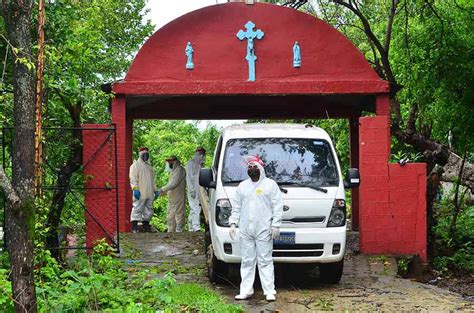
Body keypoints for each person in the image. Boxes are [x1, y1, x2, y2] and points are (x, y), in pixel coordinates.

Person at [228, 155, 283, 302]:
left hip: (263, 229)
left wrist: (276, 224)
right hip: (246, 229)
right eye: (249, 167)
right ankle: (246, 290)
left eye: (254, 167)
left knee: (265, 260)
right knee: (247, 260)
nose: (252, 170)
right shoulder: (242, 186)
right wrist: (233, 222)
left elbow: (277, 206)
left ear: (261, 169)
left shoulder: (270, 185)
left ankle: (269, 291)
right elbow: (236, 207)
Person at [129, 147, 159, 233]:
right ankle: (134, 228)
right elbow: (133, 178)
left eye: (147, 155)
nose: (145, 156)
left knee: (149, 209)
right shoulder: (135, 165)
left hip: (149, 192)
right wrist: (135, 188)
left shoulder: (150, 168)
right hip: (140, 191)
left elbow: (153, 181)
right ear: (140, 155)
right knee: (137, 208)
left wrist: (155, 190)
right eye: (144, 155)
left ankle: (146, 226)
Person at [157, 156, 186, 232]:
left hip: (178, 197)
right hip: (172, 198)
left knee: (179, 216)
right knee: (170, 217)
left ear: (175, 161)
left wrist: (161, 190)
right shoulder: (173, 171)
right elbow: (170, 185)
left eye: (170, 161)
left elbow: (173, 184)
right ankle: (171, 233)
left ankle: (179, 233)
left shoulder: (179, 170)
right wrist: (162, 193)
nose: (169, 163)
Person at [186, 147, 206, 231]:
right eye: (200, 154)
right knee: (195, 208)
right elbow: (188, 177)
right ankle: (196, 228)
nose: (201, 156)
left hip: (200, 191)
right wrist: (191, 190)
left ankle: (191, 227)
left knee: (194, 209)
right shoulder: (191, 163)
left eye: (202, 154)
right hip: (194, 191)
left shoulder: (201, 165)